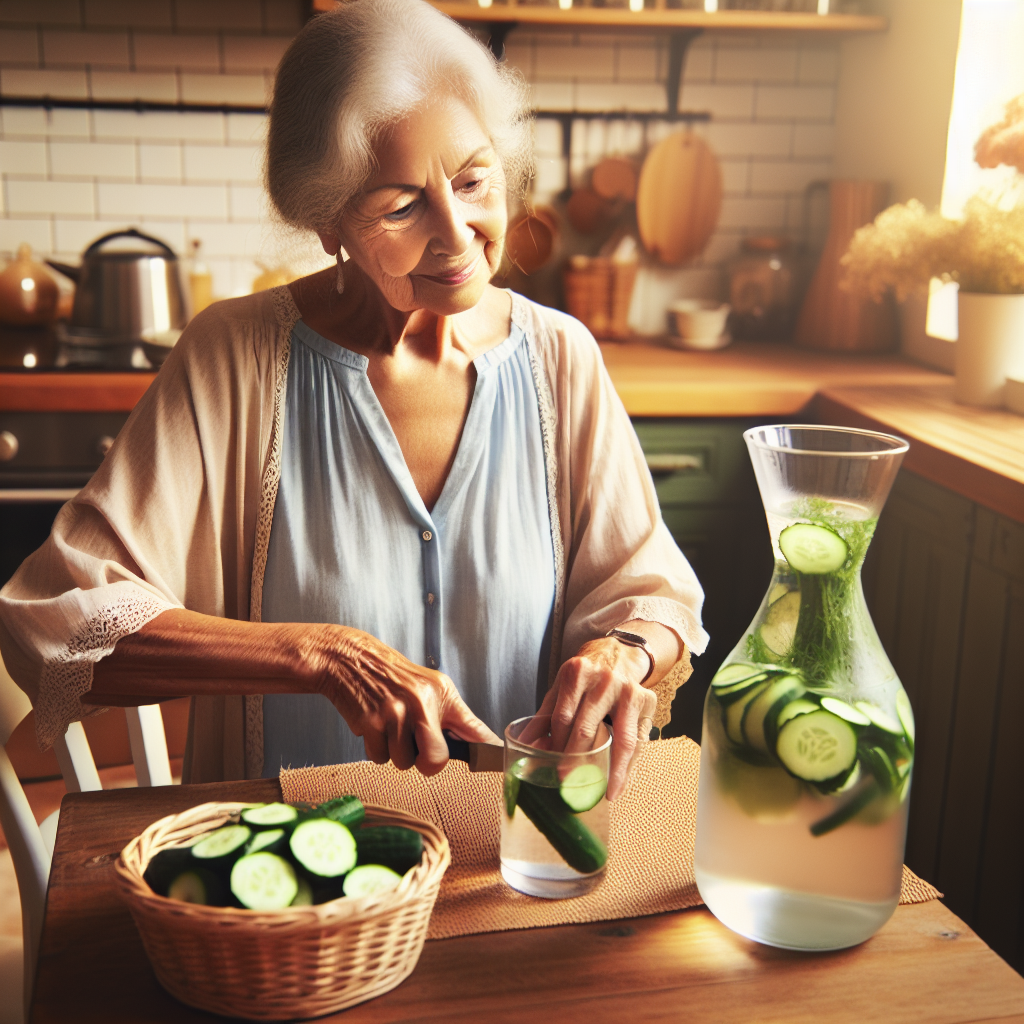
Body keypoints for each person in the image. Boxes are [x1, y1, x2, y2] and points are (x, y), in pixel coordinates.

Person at [0, 0, 707, 800]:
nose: (457, 233)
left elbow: (649, 591)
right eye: (401, 207)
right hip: (294, 892)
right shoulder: (234, 358)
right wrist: (315, 655)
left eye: (475, 181)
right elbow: (53, 617)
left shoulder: (561, 358)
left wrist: (623, 650)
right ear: (328, 218)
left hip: (513, 866)